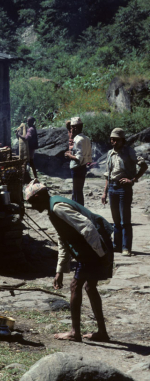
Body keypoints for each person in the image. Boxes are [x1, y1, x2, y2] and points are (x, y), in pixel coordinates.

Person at [25, 179, 113, 343]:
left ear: (38, 197)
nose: (33, 207)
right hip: (94, 248)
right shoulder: (53, 209)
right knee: (89, 286)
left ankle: (75, 332)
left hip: (93, 248)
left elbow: (87, 227)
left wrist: (101, 254)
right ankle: (102, 332)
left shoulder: (58, 207)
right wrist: (59, 270)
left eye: (32, 203)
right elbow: (63, 239)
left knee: (75, 286)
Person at [102, 127, 148, 257]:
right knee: (116, 220)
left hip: (124, 189)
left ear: (122, 140)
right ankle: (117, 245)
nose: (113, 142)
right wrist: (104, 192)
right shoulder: (110, 153)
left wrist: (133, 180)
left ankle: (126, 247)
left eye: (116, 140)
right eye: (112, 139)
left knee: (125, 220)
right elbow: (108, 174)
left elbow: (143, 165)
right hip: (112, 188)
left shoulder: (129, 152)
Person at [64, 117, 92, 206]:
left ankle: (77, 209)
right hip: (83, 168)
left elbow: (78, 158)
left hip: (77, 168)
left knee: (76, 192)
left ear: (75, 128)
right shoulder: (86, 138)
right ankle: (79, 209)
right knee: (78, 191)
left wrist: (69, 155)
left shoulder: (78, 140)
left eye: (72, 127)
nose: (71, 129)